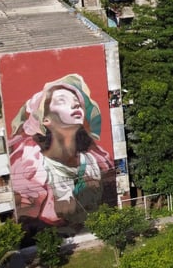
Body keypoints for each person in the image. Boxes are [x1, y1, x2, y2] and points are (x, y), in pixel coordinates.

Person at [9, 74, 112, 227]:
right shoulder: (32, 167)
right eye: (62, 101)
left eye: (77, 103)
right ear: (45, 119)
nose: (75, 106)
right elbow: (27, 217)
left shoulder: (95, 160)